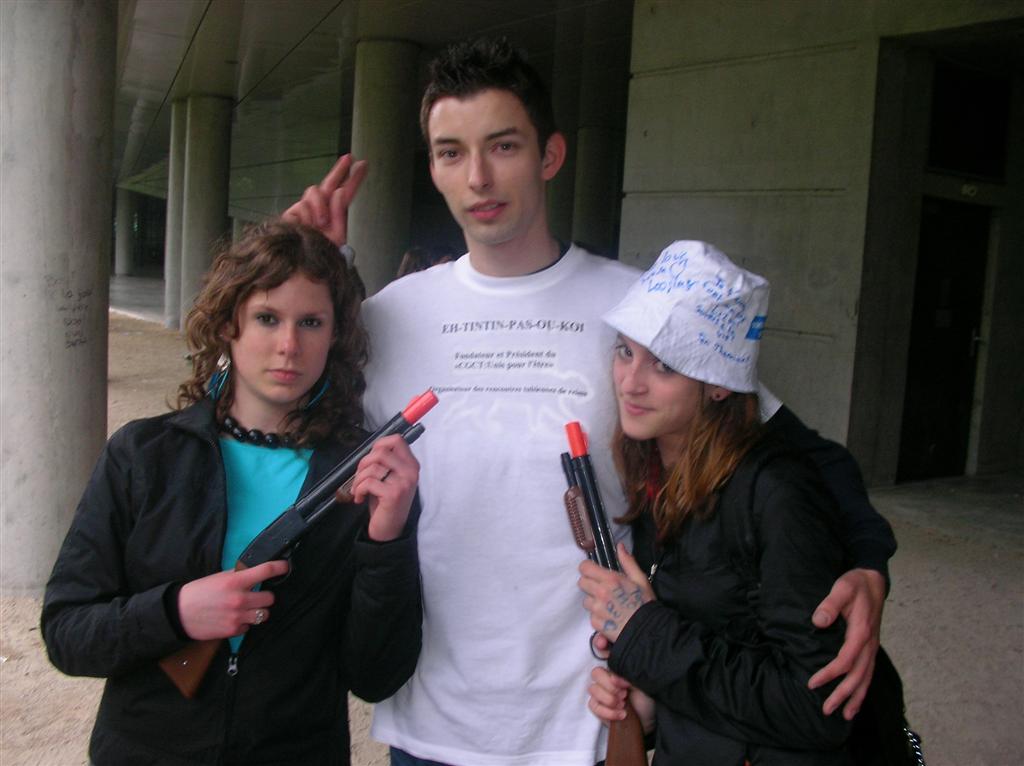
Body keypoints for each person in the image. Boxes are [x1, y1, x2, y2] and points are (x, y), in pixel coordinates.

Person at [283, 37, 894, 766]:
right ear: (434, 168)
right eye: (451, 152)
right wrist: (301, 272)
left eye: (503, 145)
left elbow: (794, 450)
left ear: (550, 155)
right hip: (432, 724)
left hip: (593, 725)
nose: (478, 177)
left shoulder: (636, 311)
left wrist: (868, 561)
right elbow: (255, 412)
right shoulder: (389, 317)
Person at [41, 221, 423, 765]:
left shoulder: (367, 480)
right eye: (267, 318)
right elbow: (67, 633)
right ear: (227, 325)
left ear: (335, 335)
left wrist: (386, 540)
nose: (289, 346)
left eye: (311, 322)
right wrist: (176, 612)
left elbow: (376, 676)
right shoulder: (142, 454)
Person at [579, 240, 866, 764]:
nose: (630, 383)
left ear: (718, 386)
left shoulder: (777, 493)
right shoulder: (653, 471)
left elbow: (815, 705)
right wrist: (651, 702)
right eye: (625, 351)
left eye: (664, 365)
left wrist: (645, 634)